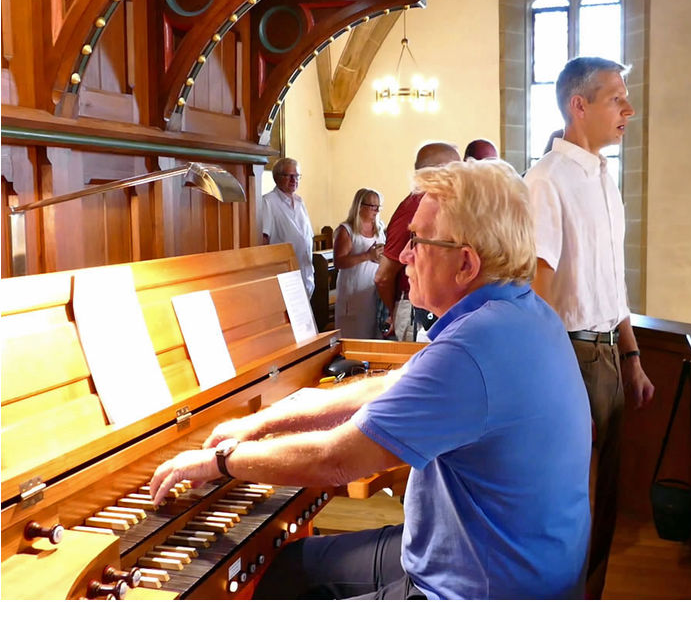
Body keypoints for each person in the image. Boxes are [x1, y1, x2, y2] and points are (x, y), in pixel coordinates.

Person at [148, 158, 592, 600]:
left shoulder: (475, 346)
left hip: (487, 593)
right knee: (290, 569)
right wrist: (263, 422)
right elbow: (390, 383)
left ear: (466, 264)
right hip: (493, 556)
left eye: (417, 241)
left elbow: (335, 460)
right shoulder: (517, 312)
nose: (402, 255)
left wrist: (223, 462)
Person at [524, 56, 655, 600]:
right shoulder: (546, 181)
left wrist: (633, 356)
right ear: (579, 106)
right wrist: (554, 379)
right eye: (616, 98)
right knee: (567, 502)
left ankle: (590, 601)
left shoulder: (605, 177)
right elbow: (541, 291)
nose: (629, 109)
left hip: (607, 354)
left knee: (606, 500)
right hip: (572, 358)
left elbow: (611, 281)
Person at [374, 141, 460, 341]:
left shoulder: (445, 203)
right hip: (414, 308)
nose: (461, 176)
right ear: (438, 172)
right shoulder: (414, 206)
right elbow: (383, 276)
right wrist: (393, 311)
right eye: (456, 168)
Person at [332, 188, 386, 338]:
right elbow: (339, 261)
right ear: (360, 206)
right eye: (372, 206)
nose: (376, 210)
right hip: (353, 291)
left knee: (372, 334)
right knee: (353, 334)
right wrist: (367, 256)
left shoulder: (379, 228)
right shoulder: (347, 230)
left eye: (378, 206)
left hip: (372, 290)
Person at [262, 157, 315, 298]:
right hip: (284, 278)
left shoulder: (300, 202)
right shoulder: (268, 201)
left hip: (305, 276)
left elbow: (306, 236)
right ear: (276, 177)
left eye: (296, 176)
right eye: (288, 176)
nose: (294, 180)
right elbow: (263, 241)